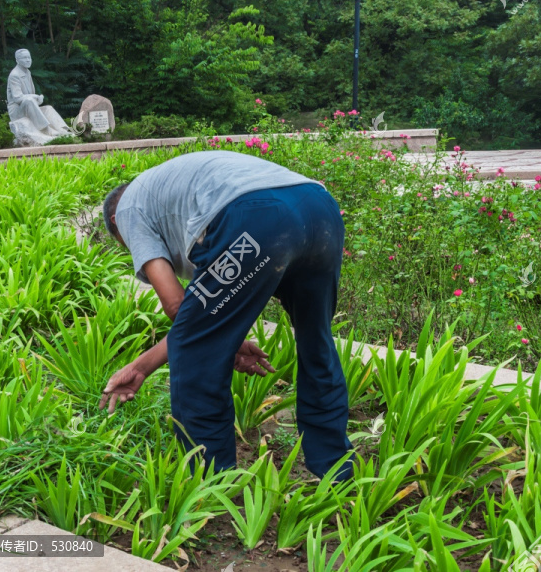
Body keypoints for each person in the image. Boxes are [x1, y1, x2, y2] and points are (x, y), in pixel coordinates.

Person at [98, 150, 354, 480]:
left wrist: (141, 365)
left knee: (195, 360)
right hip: (319, 209)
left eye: (129, 247)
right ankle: (336, 471)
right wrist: (226, 338)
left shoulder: (129, 209)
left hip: (257, 215)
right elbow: (211, 315)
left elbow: (179, 310)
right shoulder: (166, 189)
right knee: (316, 343)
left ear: (117, 224)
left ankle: (210, 487)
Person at [6, 49, 71, 139]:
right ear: (17, 60)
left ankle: (62, 130)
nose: (28, 60)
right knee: (29, 100)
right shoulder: (15, 75)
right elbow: (18, 98)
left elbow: (30, 100)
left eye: (29, 57)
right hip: (17, 112)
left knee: (48, 108)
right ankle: (46, 129)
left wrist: (38, 100)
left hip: (27, 107)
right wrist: (34, 96)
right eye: (24, 58)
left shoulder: (28, 72)